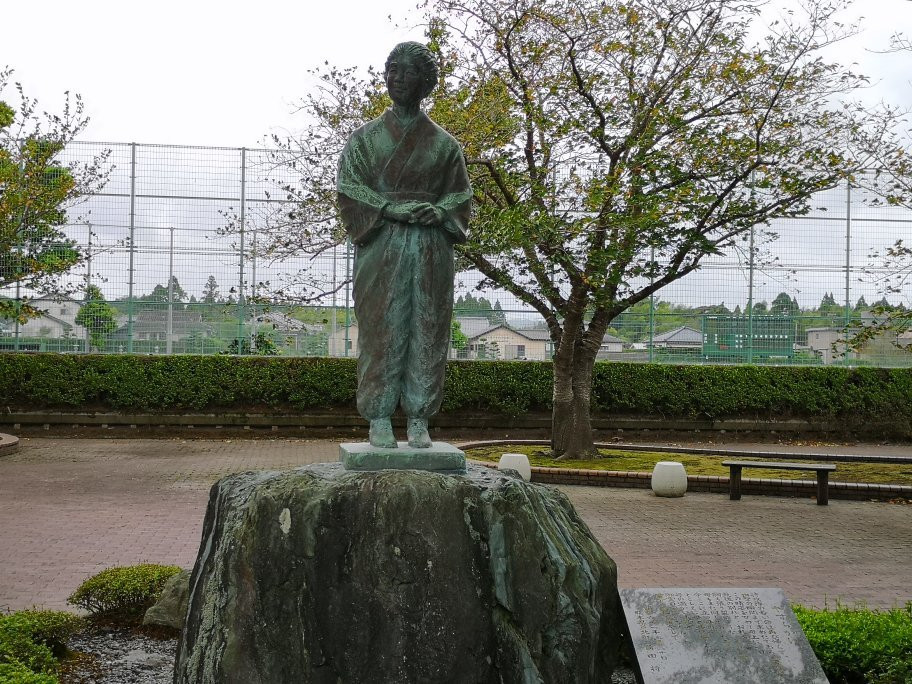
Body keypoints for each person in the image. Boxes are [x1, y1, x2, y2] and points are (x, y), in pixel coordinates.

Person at [337, 42, 472, 449]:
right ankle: (378, 415)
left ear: (425, 81)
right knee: (381, 327)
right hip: (382, 243)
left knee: (428, 327)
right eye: (391, 69)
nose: (396, 78)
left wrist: (441, 211)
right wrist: (386, 208)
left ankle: (419, 417)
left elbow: (460, 195)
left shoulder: (445, 145)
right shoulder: (364, 140)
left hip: (430, 246)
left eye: (407, 71)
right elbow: (349, 187)